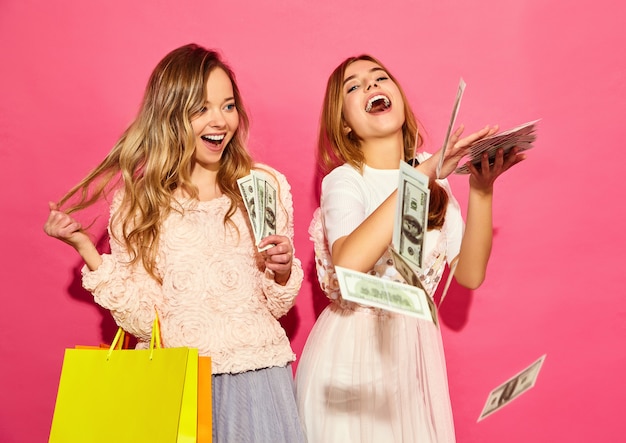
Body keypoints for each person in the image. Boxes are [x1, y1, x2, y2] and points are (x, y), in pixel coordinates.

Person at [44, 43, 306, 443]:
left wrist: (282, 270)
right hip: (178, 385)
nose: (219, 120)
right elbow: (142, 321)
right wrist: (85, 248)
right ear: (169, 117)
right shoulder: (138, 204)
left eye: (228, 105)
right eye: (200, 108)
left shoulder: (263, 184)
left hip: (258, 379)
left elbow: (276, 304)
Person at [295, 54, 526, 442]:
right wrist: (425, 172)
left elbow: (468, 274)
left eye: (379, 77)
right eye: (354, 86)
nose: (370, 86)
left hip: (412, 364)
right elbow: (350, 264)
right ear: (346, 125)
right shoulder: (346, 180)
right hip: (351, 361)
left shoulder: (436, 179)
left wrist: (482, 191)